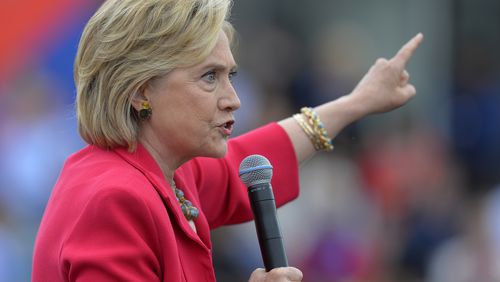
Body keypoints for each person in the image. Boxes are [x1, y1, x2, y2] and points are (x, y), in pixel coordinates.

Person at [32, 0, 423, 281]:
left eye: (230, 75)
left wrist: (354, 104)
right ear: (140, 90)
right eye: (209, 77)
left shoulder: (164, 173)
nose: (233, 99)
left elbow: (249, 159)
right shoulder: (115, 199)